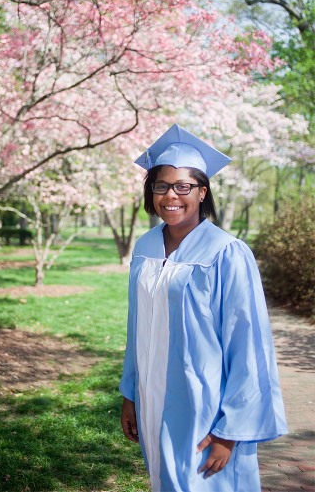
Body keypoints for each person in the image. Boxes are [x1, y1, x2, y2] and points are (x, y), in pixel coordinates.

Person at [119, 124, 288, 491]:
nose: (171, 196)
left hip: (205, 403)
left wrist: (232, 430)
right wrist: (130, 394)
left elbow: (248, 342)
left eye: (184, 187)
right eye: (161, 186)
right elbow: (138, 327)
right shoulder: (145, 248)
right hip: (152, 396)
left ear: (202, 192)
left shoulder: (226, 252)